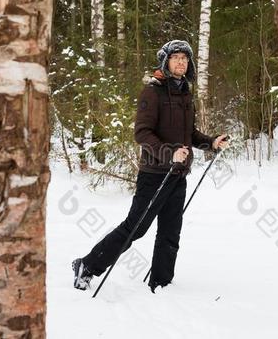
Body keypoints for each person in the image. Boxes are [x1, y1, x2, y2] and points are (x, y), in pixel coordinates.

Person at [72, 40, 229, 293]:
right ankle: (87, 266)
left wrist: (210, 142)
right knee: (135, 228)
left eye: (185, 58)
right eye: (176, 57)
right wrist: (169, 153)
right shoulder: (152, 92)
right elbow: (142, 133)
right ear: (165, 61)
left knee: (170, 232)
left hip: (178, 175)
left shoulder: (185, 94)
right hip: (154, 174)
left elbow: (189, 133)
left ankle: (162, 283)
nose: (181, 62)